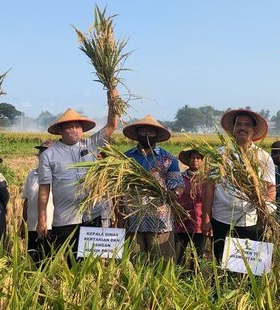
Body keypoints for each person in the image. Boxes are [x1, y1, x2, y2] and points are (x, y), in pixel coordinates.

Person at [36, 102, 119, 256]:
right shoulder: (49, 154)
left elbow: (112, 125)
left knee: (94, 262)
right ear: (61, 130)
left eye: (77, 126)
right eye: (69, 127)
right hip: (66, 218)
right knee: (69, 262)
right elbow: (44, 188)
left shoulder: (91, 145)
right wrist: (42, 219)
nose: (74, 130)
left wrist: (112, 97)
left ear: (82, 129)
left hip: (93, 215)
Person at [201, 109, 276, 262]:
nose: (243, 128)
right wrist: (206, 218)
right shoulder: (220, 155)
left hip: (252, 220)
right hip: (222, 219)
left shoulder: (263, 157)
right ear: (232, 129)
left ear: (253, 130)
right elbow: (209, 188)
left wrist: (265, 207)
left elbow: (271, 189)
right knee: (223, 263)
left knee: (250, 266)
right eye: (239, 124)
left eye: (247, 125)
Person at [122, 115, 184, 261]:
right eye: (143, 132)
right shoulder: (126, 158)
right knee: (135, 263)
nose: (147, 135)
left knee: (162, 263)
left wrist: (175, 192)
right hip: (133, 217)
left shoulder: (168, 158)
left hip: (159, 217)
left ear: (157, 135)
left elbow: (177, 182)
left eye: (151, 132)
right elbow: (118, 185)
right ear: (137, 135)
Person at [22, 140, 54, 262]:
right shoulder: (32, 174)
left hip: (51, 225)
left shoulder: (57, 174)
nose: (44, 155)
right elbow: (27, 200)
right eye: (42, 152)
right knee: (34, 259)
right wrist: (23, 223)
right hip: (32, 226)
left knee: (49, 259)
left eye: (47, 152)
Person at [175, 148, 206, 264]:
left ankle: (195, 277)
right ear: (188, 161)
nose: (195, 160)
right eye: (192, 158)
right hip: (182, 221)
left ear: (202, 161)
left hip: (199, 222)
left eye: (198, 158)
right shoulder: (180, 177)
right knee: (178, 254)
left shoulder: (206, 179)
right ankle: (177, 276)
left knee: (198, 256)